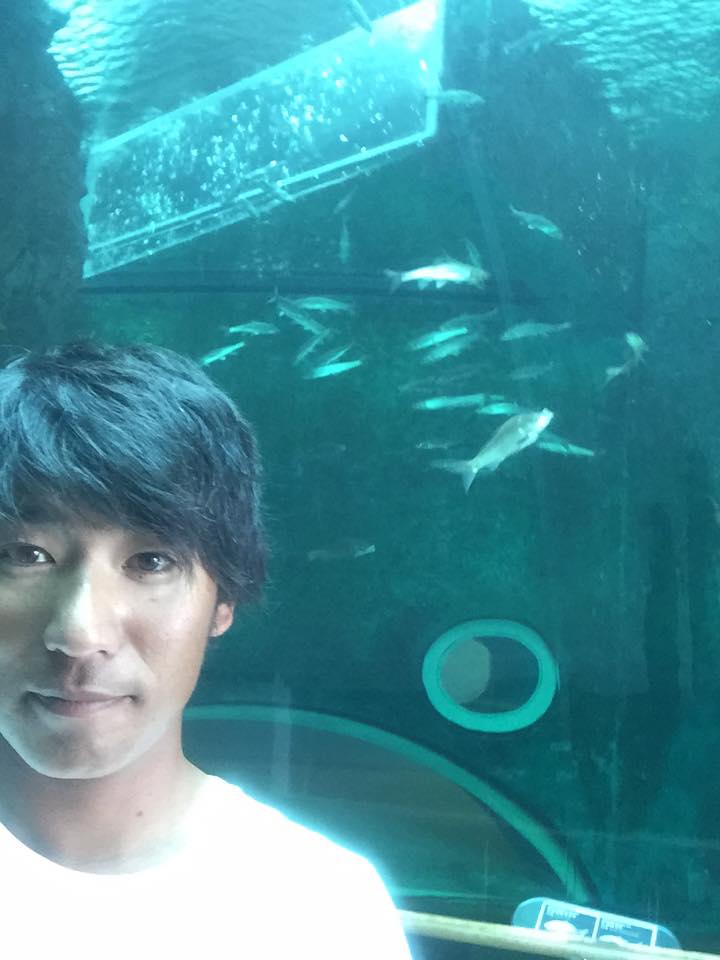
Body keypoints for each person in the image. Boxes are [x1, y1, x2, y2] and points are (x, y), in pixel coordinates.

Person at [0, 339, 413, 959]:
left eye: (151, 561)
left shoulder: (322, 912)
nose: (80, 632)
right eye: (27, 555)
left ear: (225, 600)